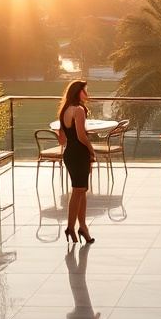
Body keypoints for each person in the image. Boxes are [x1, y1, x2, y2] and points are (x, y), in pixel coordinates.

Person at [57, 80, 96, 244]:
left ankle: (82, 227)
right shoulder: (79, 110)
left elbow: (61, 140)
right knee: (78, 191)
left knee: (81, 191)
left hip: (70, 153)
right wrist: (92, 150)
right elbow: (81, 136)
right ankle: (71, 227)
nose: (87, 94)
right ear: (78, 92)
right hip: (79, 153)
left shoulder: (64, 110)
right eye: (85, 91)